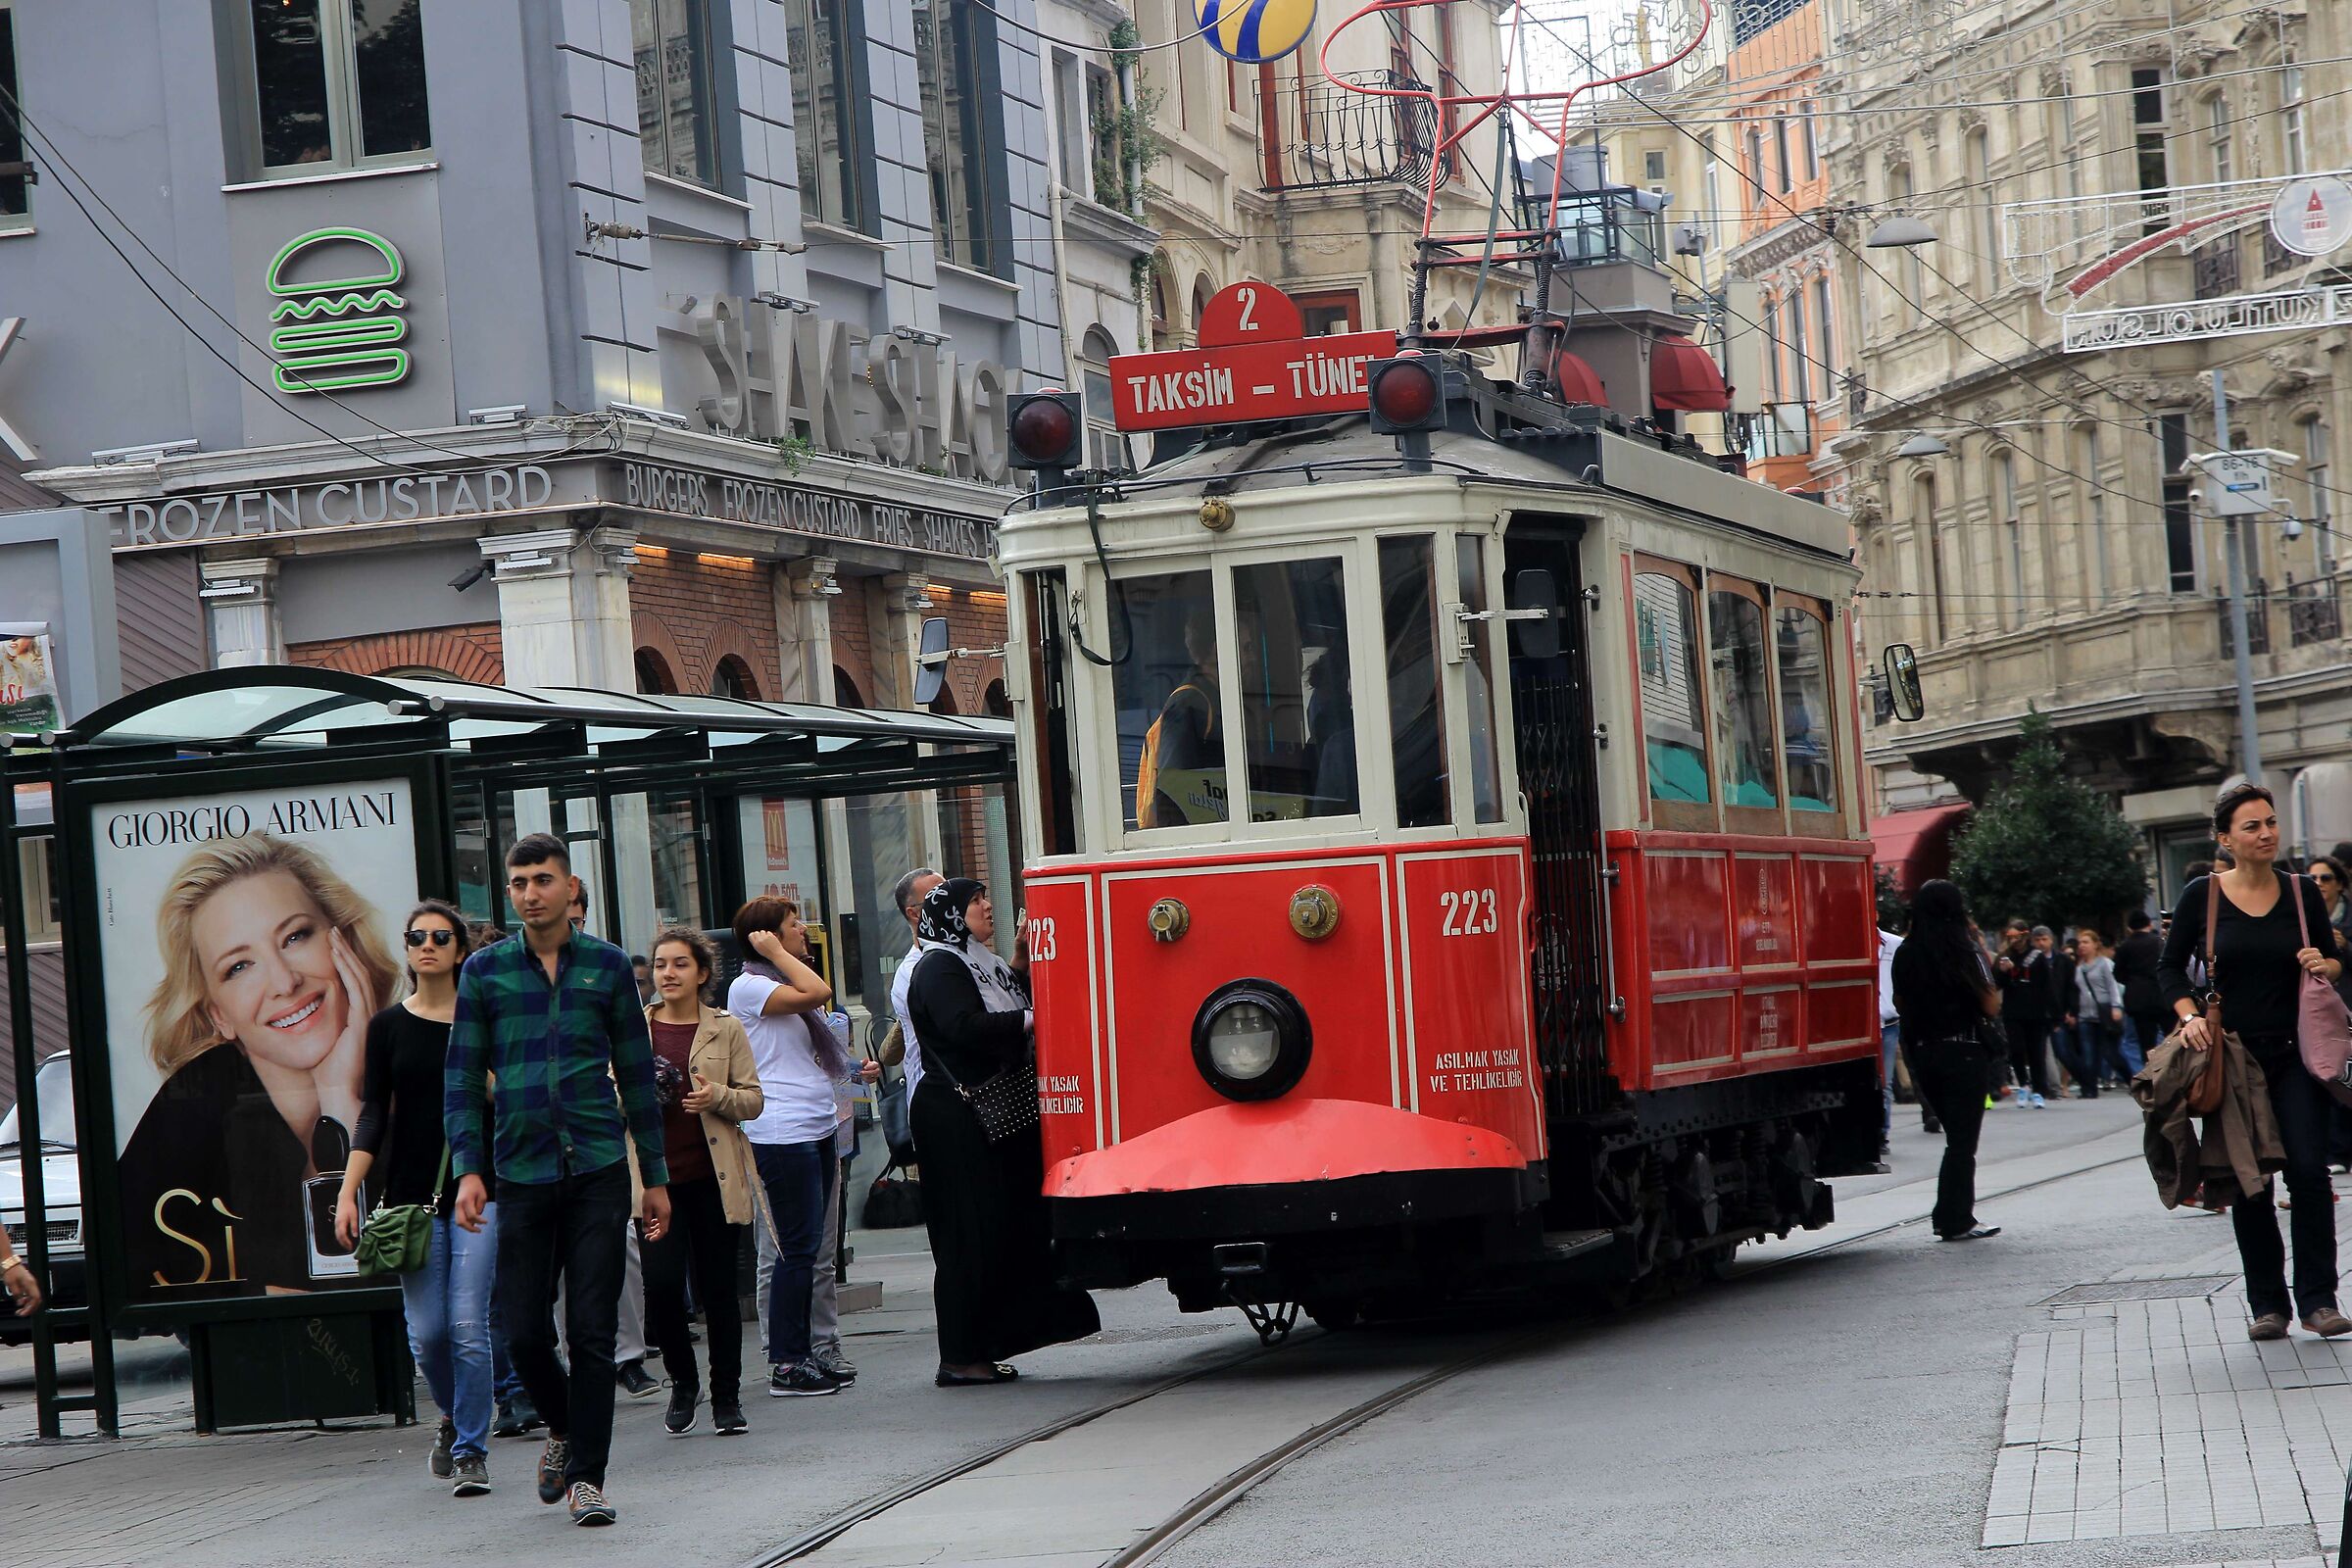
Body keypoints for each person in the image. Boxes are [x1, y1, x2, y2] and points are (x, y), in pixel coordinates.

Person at [446, 834, 671, 1528]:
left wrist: (654, 1177)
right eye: (519, 883)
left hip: (599, 1167)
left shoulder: (606, 968)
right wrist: (468, 1171)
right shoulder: (484, 972)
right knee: (521, 1331)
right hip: (521, 1170)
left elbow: (637, 1077)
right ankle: (567, 1425)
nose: (530, 893)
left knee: (594, 1332)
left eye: (543, 879)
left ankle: (588, 1479)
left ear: (570, 889)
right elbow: (459, 1080)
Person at [119, 833, 402, 1298]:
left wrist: (341, 1103)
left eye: (295, 936)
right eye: (239, 967)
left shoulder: (412, 1062)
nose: (285, 982)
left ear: (342, 939)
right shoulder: (194, 1105)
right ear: (218, 1016)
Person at [2159, 783, 2350, 1342]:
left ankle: (2319, 1299)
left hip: (2298, 1056)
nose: (2266, 833)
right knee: (2250, 1183)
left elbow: (2334, 962)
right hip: (2233, 1060)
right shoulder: (2204, 895)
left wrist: (2325, 964)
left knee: (2310, 1172)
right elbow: (2169, 969)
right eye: (2251, 826)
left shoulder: (2300, 892)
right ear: (2225, 839)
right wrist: (2189, 1015)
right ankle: (2267, 1304)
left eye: (2271, 823)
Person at [905, 878, 1100, 1382]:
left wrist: (1017, 963)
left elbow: (1001, 1005)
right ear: (950, 913)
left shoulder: (976, 961)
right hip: (958, 1118)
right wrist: (1031, 1021)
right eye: (974, 901)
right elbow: (962, 1027)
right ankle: (962, 1356)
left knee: (999, 1228)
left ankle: (985, 1345)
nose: (987, 906)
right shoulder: (939, 965)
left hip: (987, 1114)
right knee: (968, 1232)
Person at [333, 902, 492, 1496]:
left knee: (468, 1325)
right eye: (416, 937)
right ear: (406, 949)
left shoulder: (483, 1019)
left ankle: (473, 1448)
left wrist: (485, 1072)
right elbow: (373, 1112)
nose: (427, 945)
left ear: (458, 950)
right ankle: (452, 1418)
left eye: (440, 937)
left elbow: (510, 1098)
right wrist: (349, 1193)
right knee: (428, 1333)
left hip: (482, 1189)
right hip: (412, 1200)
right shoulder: (388, 1027)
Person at [638, 928, 762, 1438]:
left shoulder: (725, 1028)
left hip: (714, 1179)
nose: (668, 973)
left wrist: (717, 1098)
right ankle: (683, 1382)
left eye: (679, 965)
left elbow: (753, 1099)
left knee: (717, 1291)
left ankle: (727, 1397)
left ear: (702, 974)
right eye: (661, 964)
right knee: (663, 1288)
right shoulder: (631, 1029)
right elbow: (606, 1098)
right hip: (655, 1185)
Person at [729, 896, 849, 1398]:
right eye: (792, 926)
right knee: (793, 1249)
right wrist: (777, 954)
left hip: (816, 1124)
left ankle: (805, 1352)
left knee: (811, 1249)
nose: (803, 931)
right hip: (781, 1131)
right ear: (767, 937)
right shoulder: (750, 986)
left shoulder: (776, 979)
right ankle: (786, 1361)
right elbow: (818, 990)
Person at [564, 874, 657, 1400]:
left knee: (621, 1244)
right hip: (542, 1145)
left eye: (577, 915)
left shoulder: (605, 966)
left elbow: (631, 1055)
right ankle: (573, 1364)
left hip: (604, 1130)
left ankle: (628, 1356)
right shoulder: (511, 971)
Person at [1893, 880, 2002, 1242]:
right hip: (1965, 1051)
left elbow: (1900, 1003)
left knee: (1955, 1139)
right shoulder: (1964, 951)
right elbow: (1991, 1004)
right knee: (1962, 1142)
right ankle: (1954, 1218)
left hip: (1923, 1053)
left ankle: (1948, 1214)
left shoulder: (1905, 953)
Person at [1138, 607, 1222, 829]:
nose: (1253, 657)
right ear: (1218, 650)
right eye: (1247, 647)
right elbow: (1171, 792)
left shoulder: (1213, 699)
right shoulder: (1188, 704)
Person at [891, 868, 946, 1104]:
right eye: (938, 898)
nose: (950, 903)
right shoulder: (913, 972)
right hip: (938, 1098)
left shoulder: (969, 955)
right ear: (914, 913)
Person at [1992, 920, 2051, 1107]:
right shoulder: (2004, 957)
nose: (2014, 941)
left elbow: (2045, 985)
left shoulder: (2036, 957)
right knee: (2017, 1049)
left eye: (2017, 936)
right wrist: (2004, 972)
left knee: (2036, 1052)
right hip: (2013, 1011)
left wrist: (2052, 1012)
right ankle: (2024, 1084)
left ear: (2025, 936)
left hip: (2035, 1011)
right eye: (2010, 937)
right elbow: (1997, 984)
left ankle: (2039, 1090)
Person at [2062, 929, 2127, 1099]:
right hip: (2085, 1015)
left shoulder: (2104, 963)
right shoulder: (2078, 968)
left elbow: (2113, 986)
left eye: (2086, 942)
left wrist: (2116, 1006)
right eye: (2080, 943)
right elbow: (2075, 992)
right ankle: (2089, 1088)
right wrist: (2072, 1012)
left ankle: (2131, 1080)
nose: (2081, 946)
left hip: (2104, 1013)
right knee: (2088, 1054)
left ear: (2095, 944)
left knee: (2110, 1052)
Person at [2113, 909, 2165, 1077]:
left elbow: (2118, 974)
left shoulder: (2124, 947)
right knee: (2170, 1035)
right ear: (2149, 924)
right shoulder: (2158, 942)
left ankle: (2151, 1075)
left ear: (2129, 928)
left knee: (2146, 1041)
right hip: (2161, 995)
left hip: (2137, 999)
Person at [1876, 922, 1901, 1167]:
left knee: (1885, 1082)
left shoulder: (1894, 944)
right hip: (1863, 1023)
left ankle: (1882, 1133)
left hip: (1889, 1022)